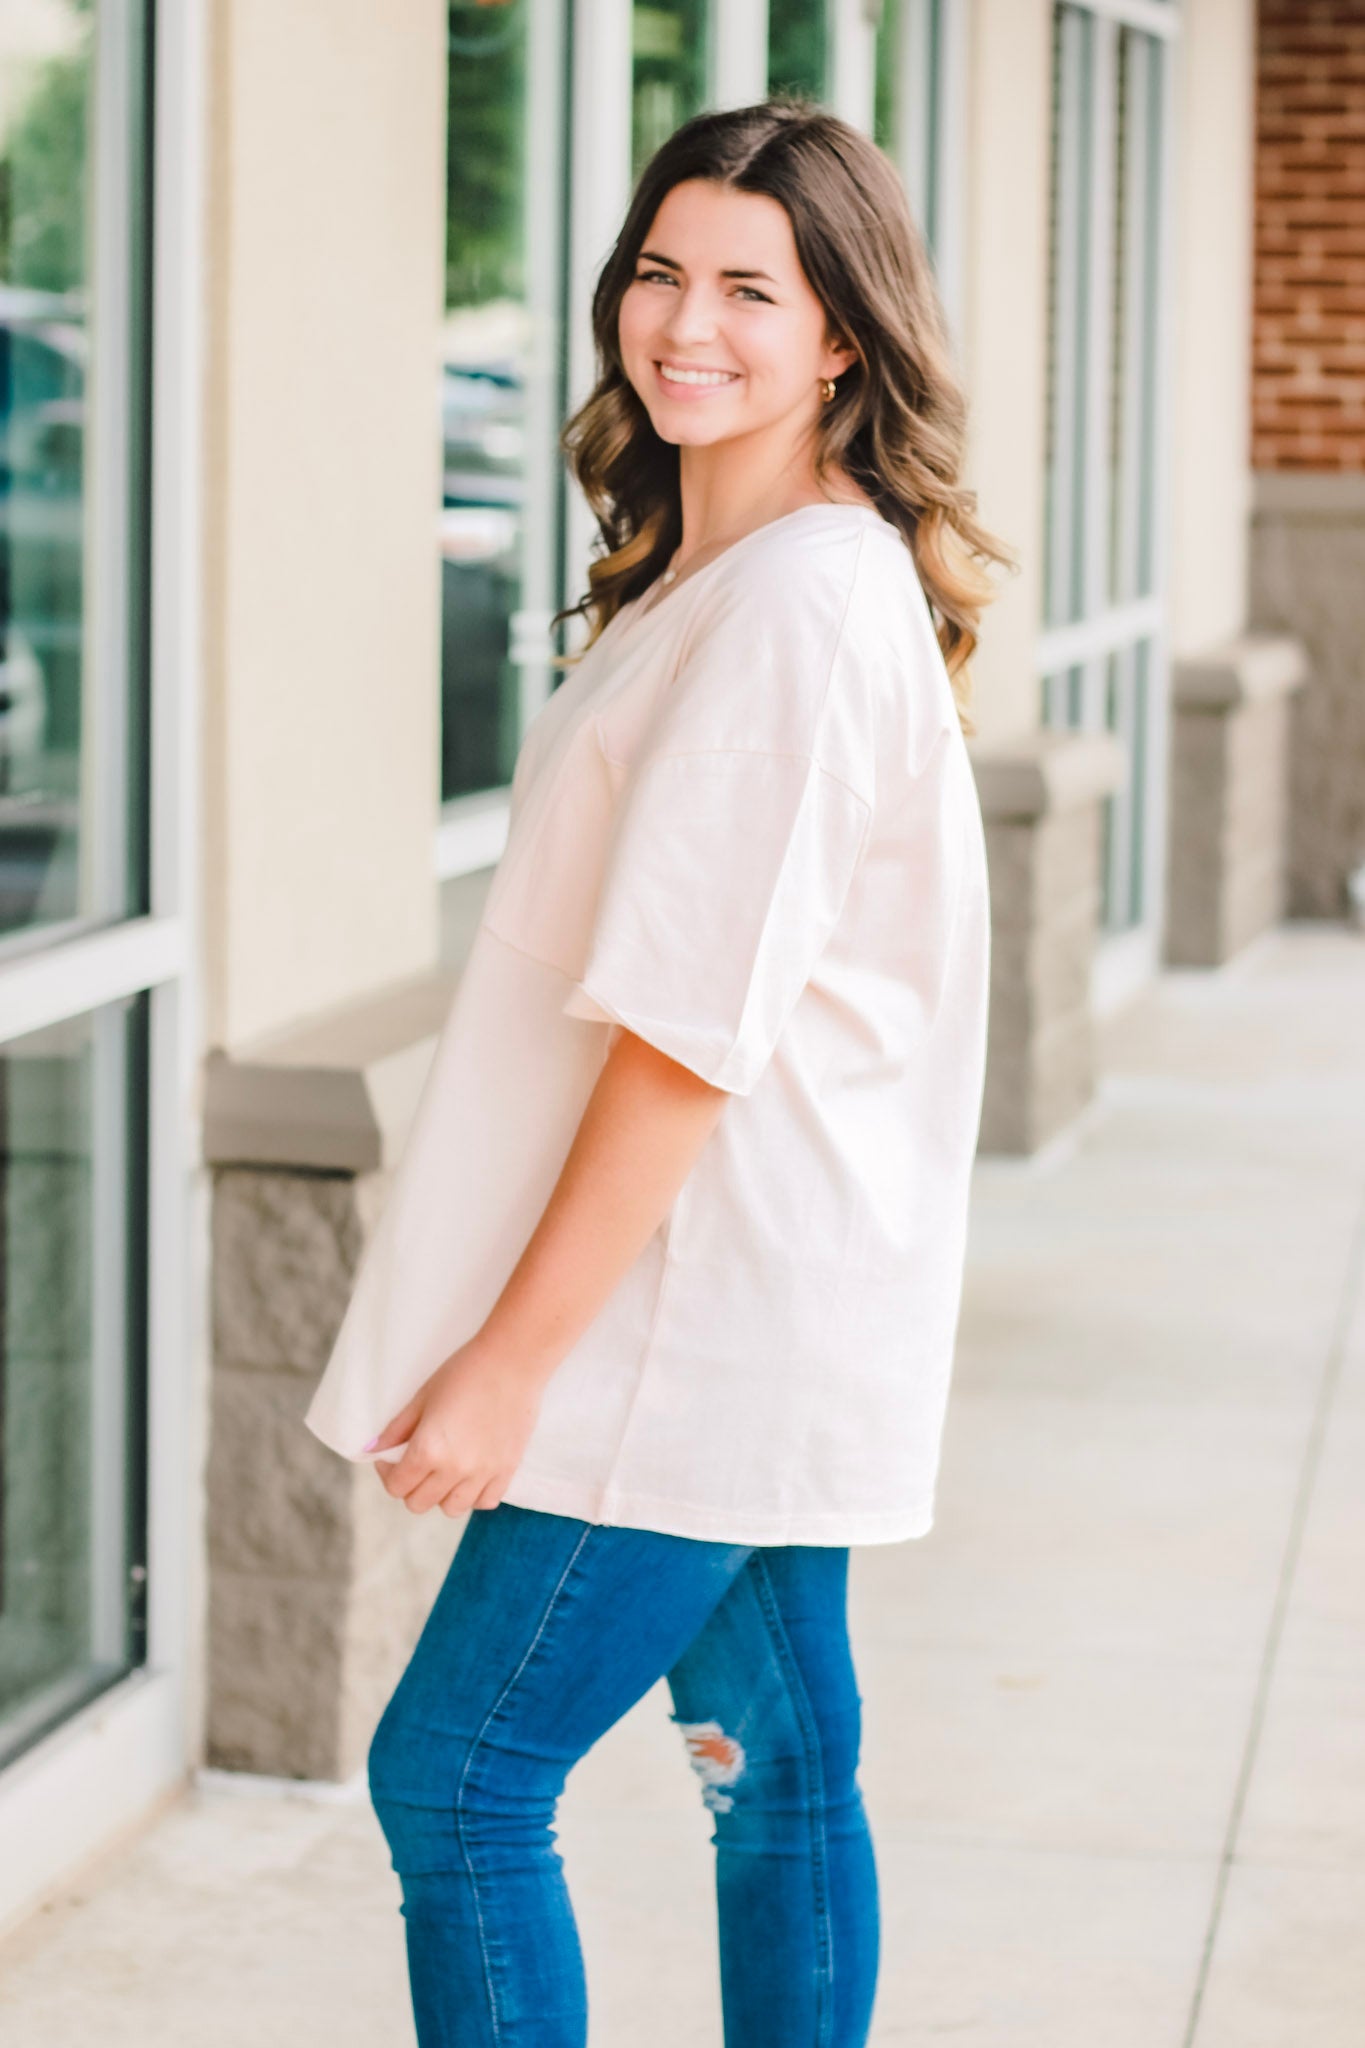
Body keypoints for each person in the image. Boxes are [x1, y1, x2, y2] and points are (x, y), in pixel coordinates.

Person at [304, 96, 1014, 2048]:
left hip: (691, 1321)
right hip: (750, 1300)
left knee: (456, 1780)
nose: (685, 324)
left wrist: (508, 1363)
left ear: (842, 333)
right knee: (772, 1765)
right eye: (657, 272)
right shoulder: (738, 573)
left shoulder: (795, 605)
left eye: (749, 291)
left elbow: (684, 1040)